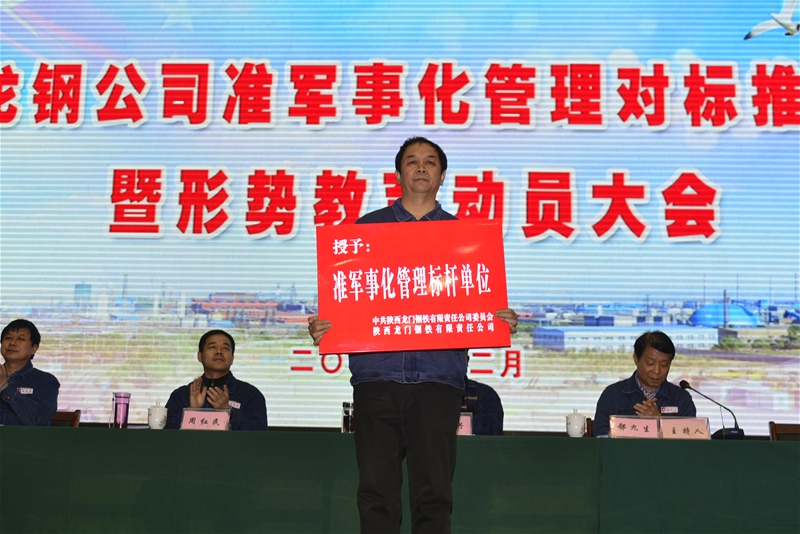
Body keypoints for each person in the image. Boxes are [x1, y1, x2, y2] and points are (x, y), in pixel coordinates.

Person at [308, 137, 518, 533]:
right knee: (376, 494)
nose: (421, 167)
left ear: (442, 174)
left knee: (433, 495)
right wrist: (328, 325)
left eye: (430, 161)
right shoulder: (365, 230)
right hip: (377, 379)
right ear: (398, 173)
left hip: (438, 381)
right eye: (412, 161)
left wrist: (497, 318)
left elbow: (475, 300)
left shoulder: (467, 238)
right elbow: (346, 297)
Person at [593, 330, 696, 437]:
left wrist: (659, 422)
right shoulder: (613, 395)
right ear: (636, 359)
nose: (657, 371)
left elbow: (690, 438)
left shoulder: (681, 398)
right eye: (650, 363)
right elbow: (601, 436)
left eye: (664, 365)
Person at [165, 329, 267, 431]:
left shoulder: (250, 395)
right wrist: (191, 411)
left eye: (225, 348)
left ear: (232, 358)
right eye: (212, 347)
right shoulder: (181, 395)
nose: (219, 352)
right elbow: (166, 434)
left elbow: (260, 435)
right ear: (200, 356)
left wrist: (229, 412)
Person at [0, 319, 60, 426]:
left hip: (23, 437)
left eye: (20, 339)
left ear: (34, 348)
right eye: (8, 338)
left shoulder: (46, 381)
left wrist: (5, 387)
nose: (12, 343)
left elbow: (36, 419)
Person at [462, 356, 504, 436]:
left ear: (467, 360)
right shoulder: (434, 393)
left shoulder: (484, 393)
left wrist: (453, 419)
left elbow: (494, 429)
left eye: (457, 355)